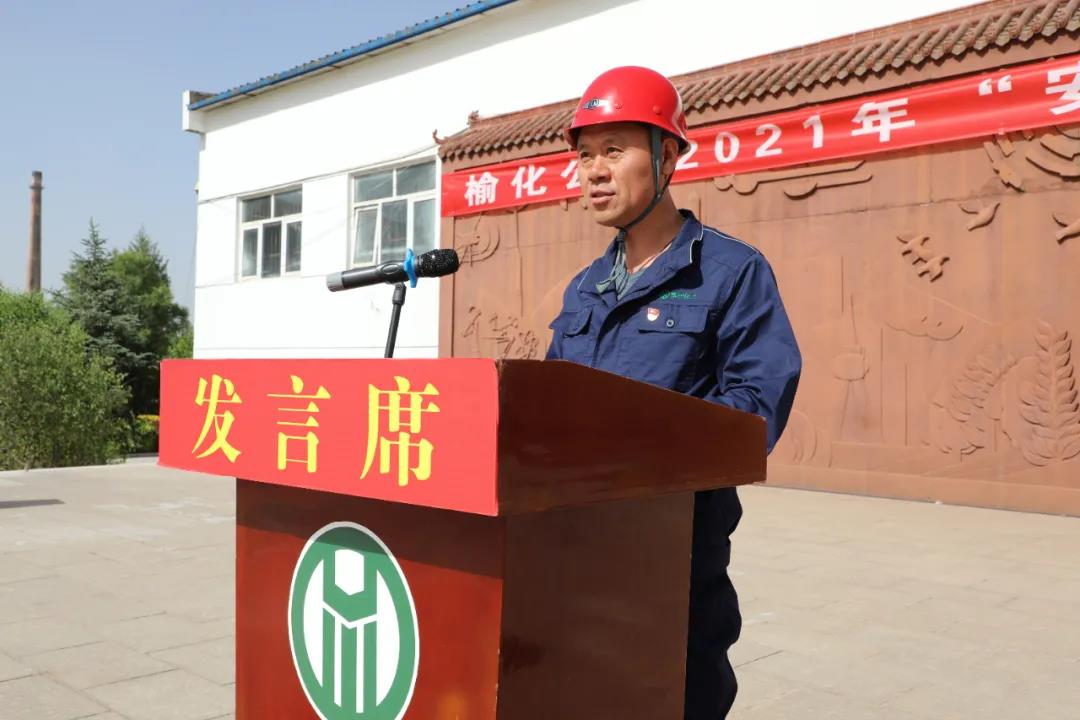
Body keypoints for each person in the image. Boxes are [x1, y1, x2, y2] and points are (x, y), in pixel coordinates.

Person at [545, 66, 802, 719]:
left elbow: (756, 408)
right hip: (578, 548)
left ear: (666, 157)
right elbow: (546, 404)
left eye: (613, 151)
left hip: (676, 553)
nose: (593, 172)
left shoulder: (731, 272)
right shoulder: (585, 287)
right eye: (584, 156)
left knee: (680, 698)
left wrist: (642, 446)